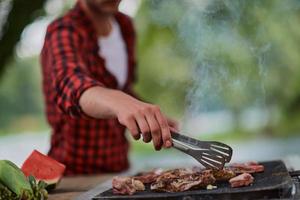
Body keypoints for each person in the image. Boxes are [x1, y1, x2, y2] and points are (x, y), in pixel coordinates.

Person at [41, 0, 178, 175]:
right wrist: (120, 102)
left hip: (119, 170)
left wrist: (145, 113)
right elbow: (70, 83)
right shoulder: (63, 31)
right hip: (73, 175)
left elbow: (122, 88)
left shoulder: (125, 26)